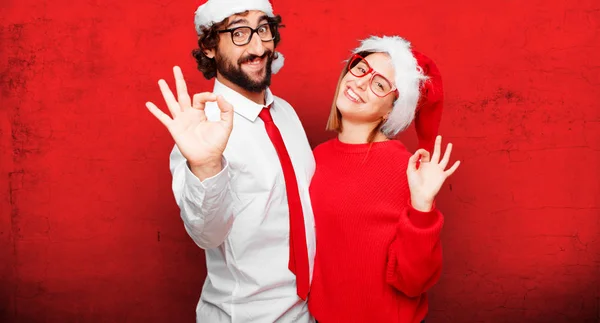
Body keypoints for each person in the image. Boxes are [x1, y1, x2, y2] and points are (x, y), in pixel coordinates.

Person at [145, 0, 316, 322]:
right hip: (246, 316)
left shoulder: (286, 114)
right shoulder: (199, 132)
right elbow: (206, 234)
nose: (258, 46)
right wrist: (206, 165)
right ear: (210, 46)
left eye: (263, 28)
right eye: (239, 32)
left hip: (310, 312)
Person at [307, 35, 460, 323]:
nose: (361, 83)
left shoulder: (407, 169)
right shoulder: (317, 157)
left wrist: (423, 206)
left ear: (392, 109)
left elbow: (414, 282)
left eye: (380, 85)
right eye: (361, 68)